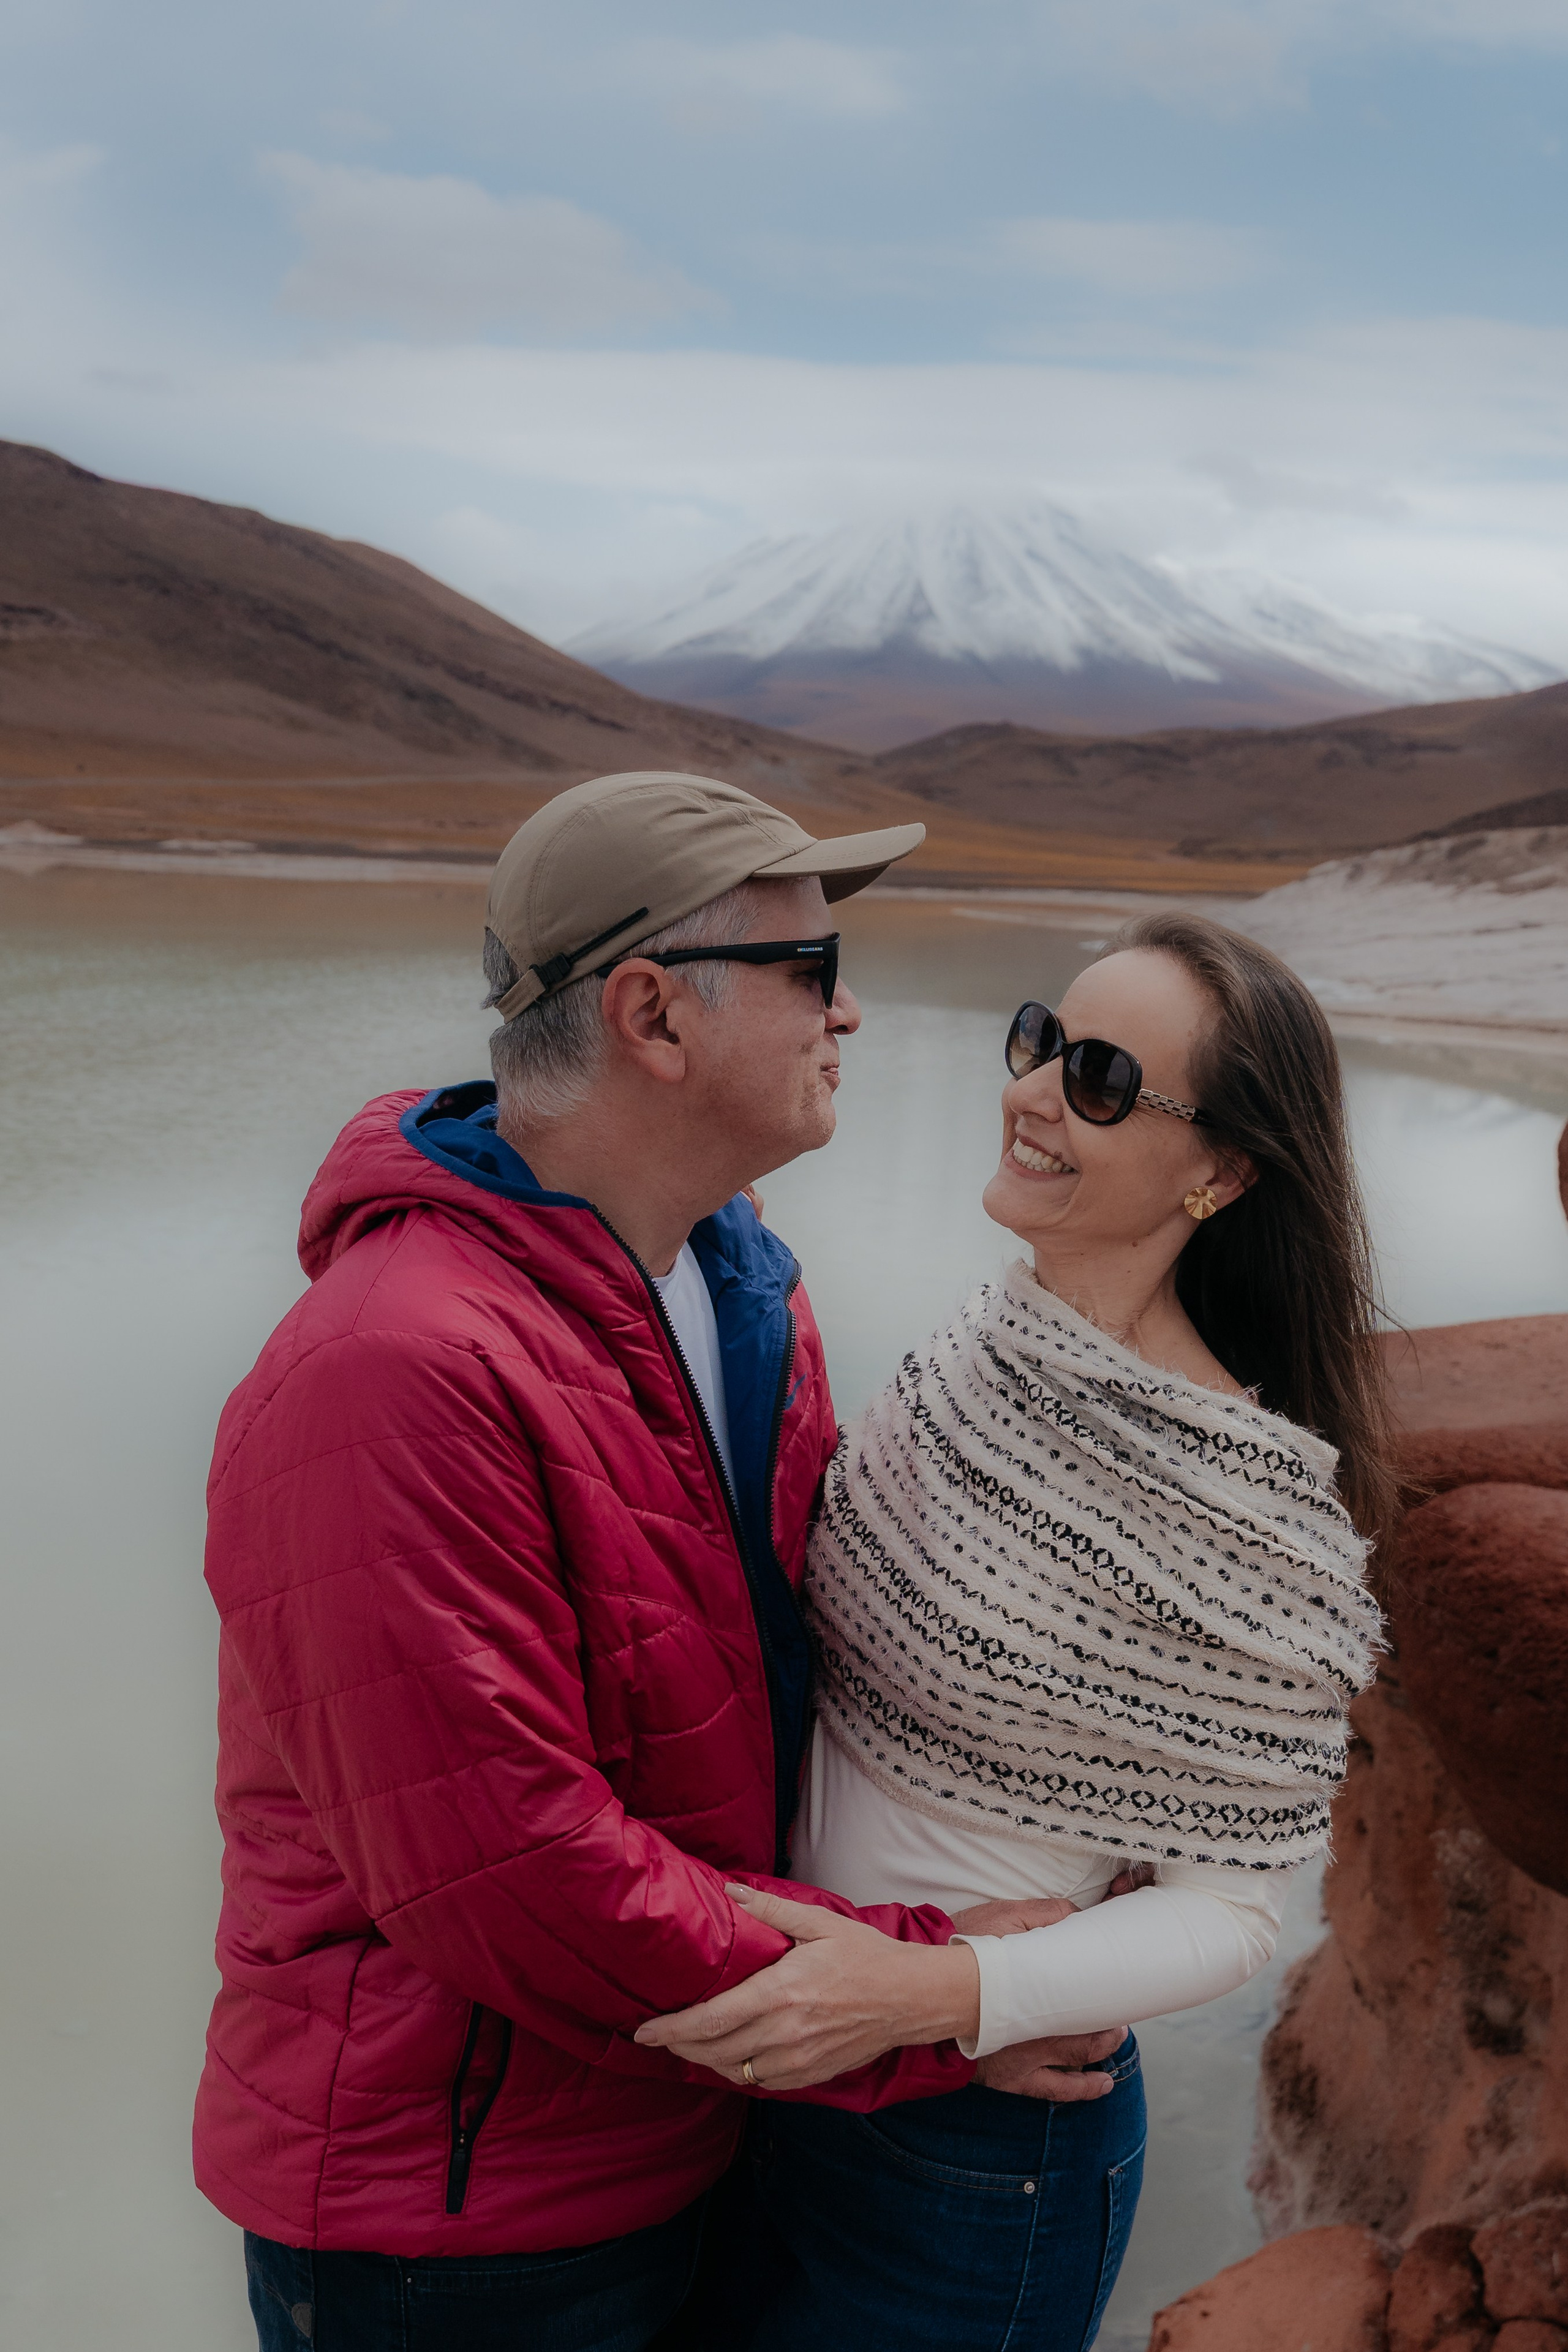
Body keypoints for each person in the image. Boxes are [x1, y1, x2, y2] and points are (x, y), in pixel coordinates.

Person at [197, 770, 1119, 2352]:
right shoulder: (393, 1368)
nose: (849, 1013)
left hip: (683, 2129)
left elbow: (803, 1652)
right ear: (653, 1015)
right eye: (813, 971)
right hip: (461, 2224)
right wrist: (933, 2001)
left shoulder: (731, 1274)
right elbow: (519, 1878)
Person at [636, 911, 1394, 2351]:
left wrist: (933, 1992)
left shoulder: (1248, 1510)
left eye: (1099, 1079)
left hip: (971, 2156)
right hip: (802, 2068)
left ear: (1223, 1172)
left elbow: (1233, 1910)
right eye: (1041, 1041)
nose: (1033, 1091)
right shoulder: (983, 1347)